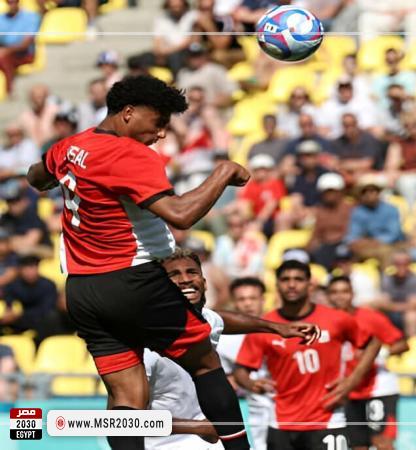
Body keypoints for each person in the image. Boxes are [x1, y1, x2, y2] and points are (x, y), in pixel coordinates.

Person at [26, 75, 316, 450]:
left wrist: (66, 176)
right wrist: (223, 172)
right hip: (132, 279)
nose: (162, 133)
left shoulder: (70, 145)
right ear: (128, 112)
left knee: (127, 396)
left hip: (82, 289)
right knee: (206, 364)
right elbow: (181, 214)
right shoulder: (130, 154)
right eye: (158, 121)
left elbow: (36, 176)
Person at [144, 250, 320, 450]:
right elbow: (120, 422)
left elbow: (220, 319)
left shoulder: (205, 320)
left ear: (204, 283)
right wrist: (195, 427)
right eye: (174, 275)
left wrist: (278, 328)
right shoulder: (146, 346)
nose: (185, 279)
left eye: (191, 272)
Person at [234, 260, 382, 450]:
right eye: (285, 279)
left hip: (328, 419)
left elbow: (373, 343)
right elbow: (240, 370)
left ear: (310, 284)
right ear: (277, 285)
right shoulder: (267, 325)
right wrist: (251, 384)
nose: (292, 284)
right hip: (281, 421)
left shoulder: (336, 319)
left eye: (298, 279)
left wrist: (352, 381)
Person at [327, 276, 408, 450]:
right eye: (334, 292)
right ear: (328, 296)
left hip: (378, 388)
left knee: (382, 442)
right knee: (357, 445)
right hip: (348, 391)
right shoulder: (325, 322)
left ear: (353, 294)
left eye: (344, 291)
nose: (340, 296)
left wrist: (378, 354)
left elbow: (402, 344)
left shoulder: (370, 317)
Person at [216, 277, 273, 450]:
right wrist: (238, 381)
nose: (248, 304)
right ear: (234, 303)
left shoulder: (280, 329)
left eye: (252, 298)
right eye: (241, 299)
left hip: (283, 405)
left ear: (263, 299)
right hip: (245, 408)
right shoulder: (223, 339)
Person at [345, 174, 404, 266]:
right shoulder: (358, 212)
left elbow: (393, 234)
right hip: (368, 246)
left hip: (392, 245)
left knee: (385, 252)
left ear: (378, 193)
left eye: (372, 191)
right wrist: (358, 242)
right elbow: (353, 234)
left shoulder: (390, 209)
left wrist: (374, 241)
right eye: (365, 192)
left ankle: (386, 275)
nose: (369, 195)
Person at [1, 255, 57, 336]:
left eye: (32, 268)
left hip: (40, 320)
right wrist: (10, 312)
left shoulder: (48, 285)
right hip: (18, 322)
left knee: (51, 317)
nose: (30, 272)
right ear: (20, 270)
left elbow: (47, 309)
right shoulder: (13, 285)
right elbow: (9, 303)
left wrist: (20, 315)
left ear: (38, 268)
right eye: (26, 269)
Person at [307, 173, 352, 271]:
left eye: (332, 191)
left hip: (344, 247)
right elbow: (316, 235)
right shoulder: (320, 211)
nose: (329, 195)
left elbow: (351, 233)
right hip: (325, 247)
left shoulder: (350, 209)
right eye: (326, 192)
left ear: (340, 192)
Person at [373, 250, 416, 334]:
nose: (401, 266)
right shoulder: (386, 278)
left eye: (405, 263)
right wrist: (393, 306)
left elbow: (414, 304)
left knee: (411, 316)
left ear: (410, 263)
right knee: (372, 312)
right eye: (398, 263)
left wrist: (391, 306)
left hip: (408, 312)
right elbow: (383, 303)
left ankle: (413, 341)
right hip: (391, 312)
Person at [0, 0, 40, 95]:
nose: (11, 3)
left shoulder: (31, 17)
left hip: (24, 54)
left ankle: (10, 91)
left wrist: (6, 50)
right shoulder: (1, 18)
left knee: (4, 58)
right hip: (5, 52)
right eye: (9, 1)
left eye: (14, 1)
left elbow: (26, 43)